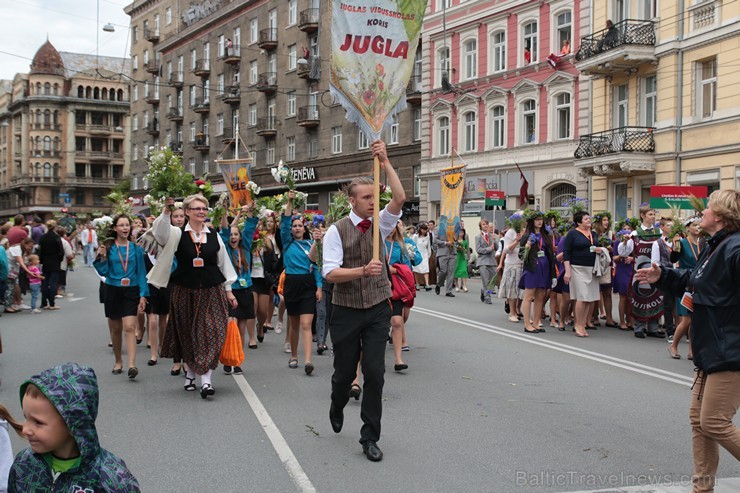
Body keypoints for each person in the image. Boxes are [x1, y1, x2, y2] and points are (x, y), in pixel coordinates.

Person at [636, 189, 740, 493]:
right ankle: (702, 489)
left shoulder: (734, 248)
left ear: (719, 216)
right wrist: (663, 275)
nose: (701, 213)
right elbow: (694, 280)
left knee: (715, 421)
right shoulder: (716, 245)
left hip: (729, 349)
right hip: (711, 348)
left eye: (707, 208)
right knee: (699, 420)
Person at [323, 139, 405, 462]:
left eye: (375, 196)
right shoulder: (336, 230)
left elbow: (400, 197)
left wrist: (385, 160)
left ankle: (370, 435)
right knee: (344, 373)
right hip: (345, 310)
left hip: (375, 308)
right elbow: (330, 273)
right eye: (367, 197)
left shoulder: (382, 224)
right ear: (352, 201)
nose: (374, 202)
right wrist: (361, 269)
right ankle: (337, 399)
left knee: (375, 372)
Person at [149, 194, 237, 399]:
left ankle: (206, 380)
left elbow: (223, 263)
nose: (201, 212)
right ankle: (190, 372)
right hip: (184, 290)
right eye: (197, 208)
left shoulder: (213, 235)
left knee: (213, 332)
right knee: (188, 333)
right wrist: (166, 210)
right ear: (187, 212)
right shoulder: (177, 233)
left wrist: (229, 290)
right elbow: (159, 233)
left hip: (212, 290)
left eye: (204, 209)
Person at [7, 363, 141, 492]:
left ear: (73, 424)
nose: (25, 430)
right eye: (26, 418)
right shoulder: (24, 465)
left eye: (38, 422)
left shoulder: (111, 478)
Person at [93, 215, 149, 379]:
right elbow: (102, 271)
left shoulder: (136, 249)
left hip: (131, 290)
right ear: (115, 228)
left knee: (130, 326)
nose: (125, 228)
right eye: (121, 225)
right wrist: (101, 256)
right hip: (112, 289)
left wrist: (143, 295)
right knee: (116, 329)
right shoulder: (109, 248)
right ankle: (118, 361)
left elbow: (141, 274)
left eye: (127, 225)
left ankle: (132, 364)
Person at [281, 191, 322, 374]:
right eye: (294, 226)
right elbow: (284, 221)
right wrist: (289, 201)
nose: (297, 228)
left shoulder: (310, 244)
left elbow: (317, 266)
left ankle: (307, 361)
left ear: (304, 229)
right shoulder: (287, 243)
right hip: (292, 283)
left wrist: (319, 286)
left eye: (300, 226)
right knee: (295, 323)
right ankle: (294, 356)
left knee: (307, 324)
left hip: (308, 284)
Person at [219, 204, 258, 375]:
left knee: (241, 328)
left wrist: (250, 212)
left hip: (246, 290)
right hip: (231, 291)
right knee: (230, 325)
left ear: (240, 237)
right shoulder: (226, 249)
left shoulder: (246, 248)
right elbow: (225, 230)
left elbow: (250, 227)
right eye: (232, 235)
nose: (233, 237)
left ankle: (237, 360)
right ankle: (227, 358)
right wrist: (225, 213)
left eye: (236, 234)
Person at [667, 216, 705, 359]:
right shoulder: (681, 242)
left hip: (699, 282)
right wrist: (675, 246)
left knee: (695, 319)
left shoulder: (703, 243)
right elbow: (673, 259)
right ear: (687, 228)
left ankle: (691, 350)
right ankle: (673, 345)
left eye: (699, 225)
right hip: (685, 282)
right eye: (694, 225)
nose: (698, 228)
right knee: (687, 319)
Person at [563, 211, 601, 337]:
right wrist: (567, 271)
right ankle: (578, 324)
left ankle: (583, 323)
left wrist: (600, 249)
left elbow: (596, 246)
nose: (589, 220)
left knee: (589, 298)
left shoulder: (593, 233)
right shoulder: (572, 234)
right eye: (586, 219)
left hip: (592, 268)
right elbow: (566, 253)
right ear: (579, 222)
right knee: (582, 296)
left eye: (589, 218)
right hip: (577, 268)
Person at [630, 206, 665, 339]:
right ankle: (639, 327)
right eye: (650, 214)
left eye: (653, 214)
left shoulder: (659, 232)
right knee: (640, 296)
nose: (653, 217)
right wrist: (626, 241)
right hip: (640, 269)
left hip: (656, 269)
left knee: (655, 296)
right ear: (642, 216)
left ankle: (653, 328)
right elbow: (625, 252)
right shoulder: (635, 233)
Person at [519, 211, 556, 334]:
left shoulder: (546, 235)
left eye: (541, 219)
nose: (539, 222)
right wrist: (527, 248)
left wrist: (553, 274)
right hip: (532, 268)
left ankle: (536, 322)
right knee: (529, 296)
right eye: (537, 220)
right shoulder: (527, 235)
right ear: (532, 222)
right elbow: (520, 255)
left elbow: (551, 255)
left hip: (544, 268)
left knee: (541, 295)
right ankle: (527, 324)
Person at [499, 217, 524, 322]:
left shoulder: (526, 230)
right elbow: (506, 250)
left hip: (523, 263)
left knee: (522, 291)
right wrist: (517, 241)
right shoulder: (511, 232)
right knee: (513, 289)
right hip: (513, 264)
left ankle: (518, 309)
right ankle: (512, 312)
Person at [3, 238, 36, 313]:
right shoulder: (17, 249)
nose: (30, 248)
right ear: (25, 244)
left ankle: (12, 303)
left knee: (13, 286)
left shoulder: (21, 250)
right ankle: (7, 306)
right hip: (9, 269)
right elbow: (21, 262)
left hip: (12, 270)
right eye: (29, 246)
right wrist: (29, 272)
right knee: (10, 288)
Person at [38, 220, 64, 311]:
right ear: (55, 227)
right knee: (53, 283)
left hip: (45, 262)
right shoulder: (56, 237)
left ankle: (43, 303)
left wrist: (41, 260)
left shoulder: (43, 237)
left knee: (44, 283)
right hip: (55, 262)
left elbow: (39, 251)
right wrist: (59, 260)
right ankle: (52, 303)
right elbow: (61, 251)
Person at [613, 223, 635, 330]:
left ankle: (630, 320)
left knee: (630, 297)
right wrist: (622, 255)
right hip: (622, 269)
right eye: (624, 229)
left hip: (631, 269)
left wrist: (632, 259)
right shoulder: (618, 242)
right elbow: (614, 258)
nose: (627, 231)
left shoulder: (635, 241)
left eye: (629, 229)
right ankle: (622, 321)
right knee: (622, 296)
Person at [476, 219, 496, 304]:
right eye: (483, 224)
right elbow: (478, 249)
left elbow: (497, 248)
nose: (485, 225)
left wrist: (496, 241)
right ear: (481, 226)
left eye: (486, 224)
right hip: (482, 261)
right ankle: (488, 297)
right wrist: (488, 249)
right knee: (485, 280)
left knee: (492, 281)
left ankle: (484, 291)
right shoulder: (478, 237)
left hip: (491, 261)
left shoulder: (492, 236)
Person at [434, 223, 456, 297]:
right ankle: (439, 284)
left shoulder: (453, 227)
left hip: (452, 252)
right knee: (443, 271)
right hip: (442, 252)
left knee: (451, 272)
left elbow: (457, 238)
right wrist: (445, 243)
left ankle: (448, 291)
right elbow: (435, 240)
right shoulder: (438, 228)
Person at [412, 222, 432, 291]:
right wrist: (413, 254)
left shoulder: (427, 236)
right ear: (420, 229)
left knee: (426, 269)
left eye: (425, 230)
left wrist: (429, 254)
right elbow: (413, 245)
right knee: (416, 269)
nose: (424, 231)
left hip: (425, 254)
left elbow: (428, 246)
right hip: (417, 254)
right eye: (422, 229)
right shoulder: (415, 236)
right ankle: (417, 283)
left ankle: (427, 284)